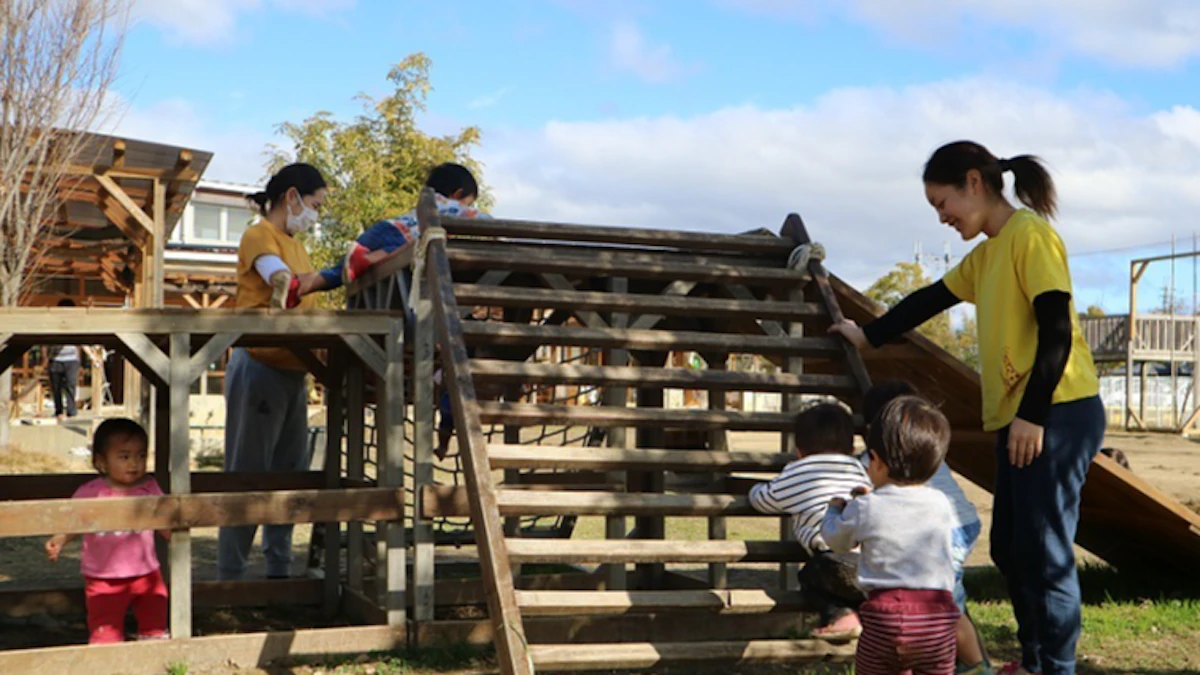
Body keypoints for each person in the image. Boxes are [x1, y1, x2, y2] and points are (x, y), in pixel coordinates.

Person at [830, 141, 1104, 675]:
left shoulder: (1032, 236)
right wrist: (868, 334)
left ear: (974, 182)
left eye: (942, 202)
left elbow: (1055, 333)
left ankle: (1055, 667)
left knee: (1045, 551)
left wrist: (1034, 413)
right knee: (1010, 547)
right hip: (1022, 415)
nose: (942, 217)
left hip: (1058, 411)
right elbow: (931, 298)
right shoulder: (987, 254)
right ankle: (1032, 661)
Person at [218, 163, 327, 581]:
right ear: (292, 196)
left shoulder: (296, 244)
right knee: (248, 470)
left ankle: (279, 568)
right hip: (260, 362)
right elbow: (276, 276)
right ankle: (231, 574)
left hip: (294, 369)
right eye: (314, 204)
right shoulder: (259, 235)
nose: (315, 213)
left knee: (289, 470)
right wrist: (297, 281)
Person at [823, 395, 960, 675]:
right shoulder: (942, 503)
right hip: (938, 618)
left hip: (885, 617)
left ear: (876, 461)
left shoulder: (866, 507)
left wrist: (834, 511)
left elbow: (836, 540)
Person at [863, 380, 991, 675]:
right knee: (942, 596)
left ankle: (976, 665)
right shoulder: (924, 455)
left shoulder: (879, 461)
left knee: (946, 600)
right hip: (960, 522)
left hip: (945, 530)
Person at [748, 402, 872, 639]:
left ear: (799, 450)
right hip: (874, 560)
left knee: (809, 577)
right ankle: (864, 615)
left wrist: (753, 489)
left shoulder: (797, 471)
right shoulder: (858, 469)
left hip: (834, 561)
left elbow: (764, 499)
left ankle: (840, 616)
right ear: (852, 446)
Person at [44, 418, 169, 643]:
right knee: (105, 626)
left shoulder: (149, 487)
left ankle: (154, 649)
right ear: (102, 461)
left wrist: (174, 535)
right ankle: (106, 658)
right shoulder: (91, 492)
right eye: (124, 456)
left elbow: (162, 517)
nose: (134, 463)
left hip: (146, 572)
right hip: (104, 576)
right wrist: (60, 539)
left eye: (141, 455)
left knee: (155, 614)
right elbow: (74, 520)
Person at [297, 162, 491, 295]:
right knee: (404, 253)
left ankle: (298, 284)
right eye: (469, 202)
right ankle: (367, 259)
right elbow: (483, 221)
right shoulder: (451, 206)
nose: (469, 207)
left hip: (384, 228)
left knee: (337, 272)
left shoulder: (421, 206)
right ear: (457, 194)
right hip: (400, 237)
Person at [48, 298, 82, 420]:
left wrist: (91, 355)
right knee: (56, 387)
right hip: (55, 358)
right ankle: (58, 411)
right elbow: (44, 341)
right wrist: (43, 358)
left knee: (71, 384)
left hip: (71, 359)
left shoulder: (76, 322)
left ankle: (71, 411)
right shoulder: (53, 321)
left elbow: (82, 340)